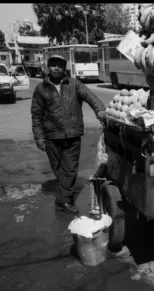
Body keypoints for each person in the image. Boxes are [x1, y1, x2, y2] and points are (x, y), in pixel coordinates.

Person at [31, 55, 106, 214]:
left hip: (72, 134)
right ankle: (67, 195)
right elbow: (36, 115)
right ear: (48, 67)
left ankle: (62, 202)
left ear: (65, 68)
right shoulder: (41, 89)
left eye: (60, 65)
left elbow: (90, 97)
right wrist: (39, 137)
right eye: (53, 65)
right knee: (59, 169)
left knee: (70, 169)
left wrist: (99, 110)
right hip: (51, 136)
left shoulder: (74, 84)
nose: (56, 68)